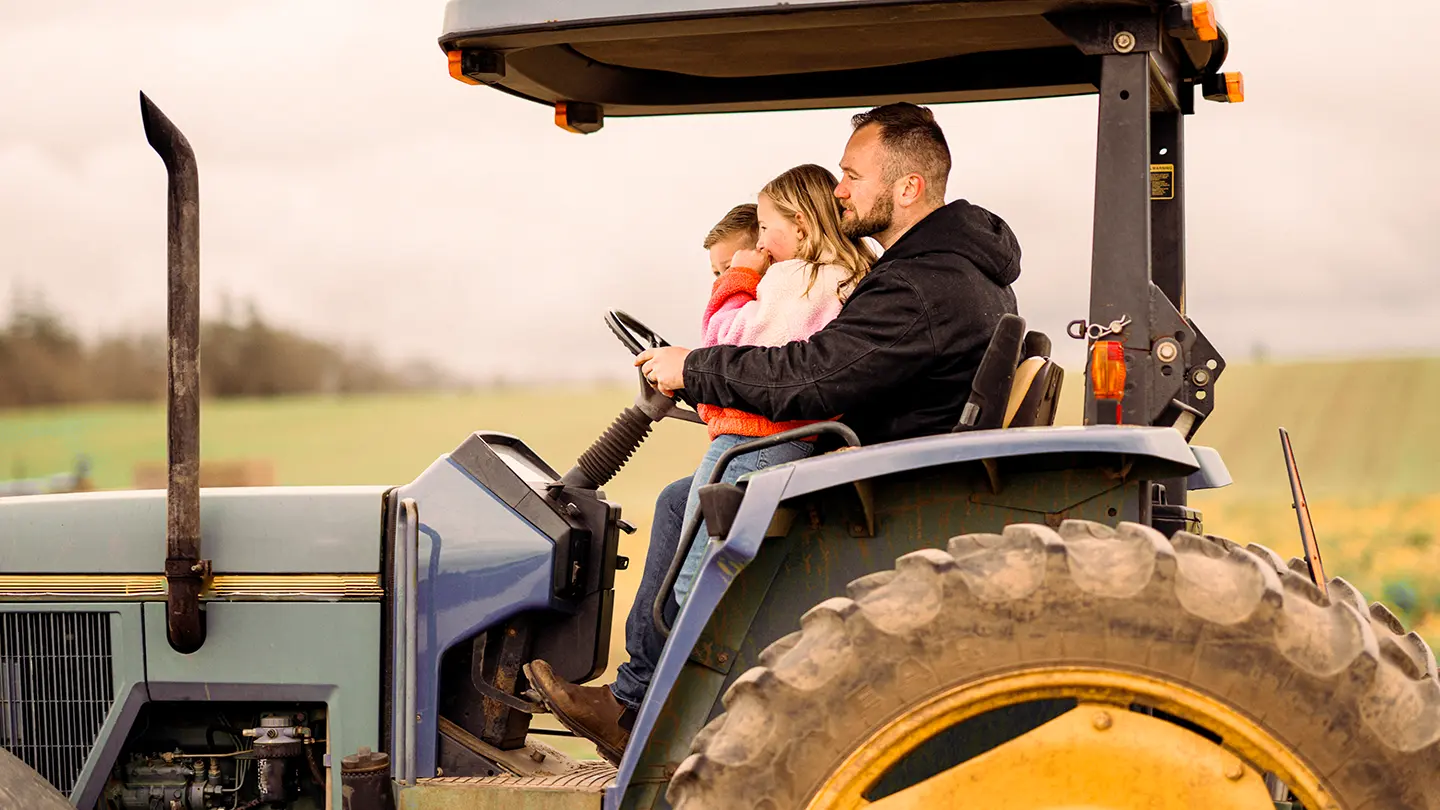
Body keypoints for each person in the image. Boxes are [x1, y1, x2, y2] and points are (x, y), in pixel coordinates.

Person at [525, 101, 1023, 763]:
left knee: (703, 520)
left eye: (851, 175)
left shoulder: (924, 287)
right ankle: (634, 703)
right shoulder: (936, 274)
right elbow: (827, 369)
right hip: (870, 462)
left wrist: (694, 367)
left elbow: (811, 376)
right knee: (679, 499)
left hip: (871, 487)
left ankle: (677, 713)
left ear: (907, 187)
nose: (838, 189)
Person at [676, 163, 874, 605]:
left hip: (757, 439)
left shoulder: (797, 279)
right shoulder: (849, 272)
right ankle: (644, 672)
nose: (761, 242)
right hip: (793, 437)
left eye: (766, 227)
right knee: (680, 517)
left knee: (695, 581)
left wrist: (738, 278)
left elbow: (726, 344)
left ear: (800, 224)